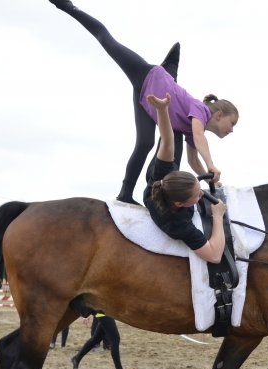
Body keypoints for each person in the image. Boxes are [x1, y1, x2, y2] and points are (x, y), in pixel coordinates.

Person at [49, 0, 239, 204]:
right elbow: (200, 137)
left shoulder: (193, 131)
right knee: (107, 41)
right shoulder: (201, 110)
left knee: (145, 143)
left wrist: (209, 179)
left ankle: (125, 194)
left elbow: (193, 159)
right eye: (232, 123)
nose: (232, 130)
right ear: (219, 115)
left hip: (147, 100)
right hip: (148, 75)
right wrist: (211, 163)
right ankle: (67, 6)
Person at [144, 94, 227, 263]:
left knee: (174, 140)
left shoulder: (163, 175)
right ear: (180, 204)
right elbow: (214, 256)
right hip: (163, 208)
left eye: (199, 189)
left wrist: (162, 109)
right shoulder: (177, 223)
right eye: (197, 195)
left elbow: (167, 140)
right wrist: (218, 216)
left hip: (162, 184)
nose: (202, 195)